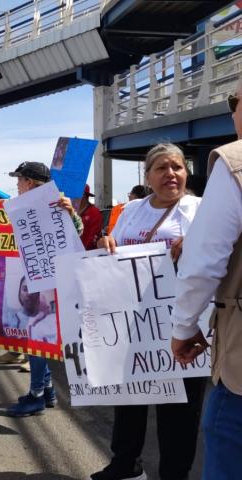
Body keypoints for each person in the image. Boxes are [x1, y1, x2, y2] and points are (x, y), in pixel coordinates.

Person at [92, 143, 206, 480]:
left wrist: (194, 247)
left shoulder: (200, 210)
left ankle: (174, 473)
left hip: (182, 325)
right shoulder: (131, 210)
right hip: (134, 323)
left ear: (186, 173)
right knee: (129, 398)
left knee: (179, 409)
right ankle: (126, 465)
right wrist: (105, 243)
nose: (171, 174)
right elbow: (113, 246)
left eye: (178, 167)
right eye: (162, 168)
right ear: (148, 175)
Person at [171, 87, 242, 480]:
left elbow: (203, 262)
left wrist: (184, 327)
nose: (232, 112)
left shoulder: (235, 163)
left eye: (235, 103)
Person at [5, 161, 83, 417]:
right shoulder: (21, 207)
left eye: (19, 180)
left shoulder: (57, 203)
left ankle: (36, 394)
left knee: (38, 337)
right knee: (38, 340)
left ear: (29, 182)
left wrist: (69, 214)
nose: (16, 185)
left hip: (52, 286)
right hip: (35, 281)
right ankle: (47, 390)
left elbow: (77, 232)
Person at [3, 276, 55, 343]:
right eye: (25, 289)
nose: (29, 294)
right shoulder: (10, 318)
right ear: (19, 292)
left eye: (33, 290)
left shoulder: (49, 321)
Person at [78, 184, 103, 250]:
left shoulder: (94, 212)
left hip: (87, 255)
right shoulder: (71, 210)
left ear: (82, 195)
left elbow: (92, 238)